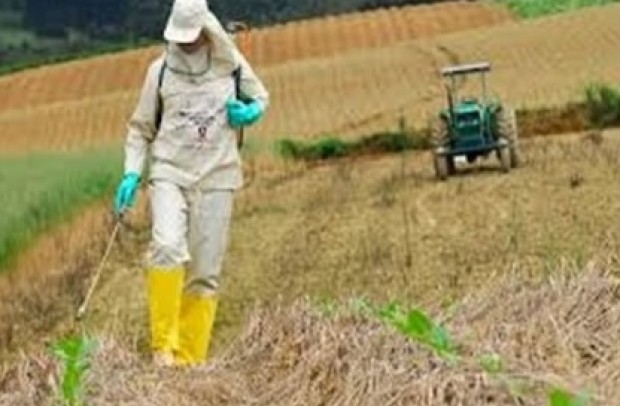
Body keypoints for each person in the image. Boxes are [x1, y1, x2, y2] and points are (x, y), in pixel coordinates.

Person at [113, 0, 269, 367]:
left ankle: (189, 361)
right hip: (170, 172)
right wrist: (132, 172)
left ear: (205, 30)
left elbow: (261, 95)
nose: (184, 45)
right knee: (166, 246)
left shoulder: (231, 66)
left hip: (217, 175)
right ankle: (163, 350)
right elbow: (140, 129)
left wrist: (251, 111)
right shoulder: (160, 72)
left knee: (204, 274)